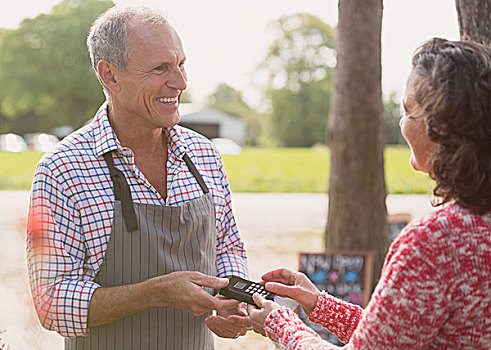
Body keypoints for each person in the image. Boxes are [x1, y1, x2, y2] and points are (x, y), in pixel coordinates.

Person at [26, 6, 252, 349]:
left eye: (181, 64)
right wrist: (154, 293)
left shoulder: (204, 155)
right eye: (161, 68)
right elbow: (52, 303)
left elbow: (228, 247)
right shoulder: (62, 169)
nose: (180, 82)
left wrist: (234, 299)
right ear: (110, 76)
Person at [247, 38, 491, 349]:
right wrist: (321, 306)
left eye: (407, 110)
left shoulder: (434, 243)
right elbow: (394, 336)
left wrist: (278, 323)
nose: (401, 124)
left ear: (439, 127)